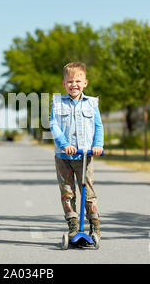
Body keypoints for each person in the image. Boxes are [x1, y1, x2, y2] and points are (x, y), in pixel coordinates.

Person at [50, 62, 104, 246]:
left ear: (85, 83)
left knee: (88, 192)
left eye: (78, 81)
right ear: (64, 84)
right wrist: (64, 144)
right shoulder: (57, 103)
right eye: (70, 81)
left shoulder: (91, 103)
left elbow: (98, 126)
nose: (74, 84)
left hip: (85, 156)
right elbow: (54, 126)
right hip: (63, 157)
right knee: (67, 192)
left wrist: (97, 145)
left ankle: (94, 226)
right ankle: (73, 225)